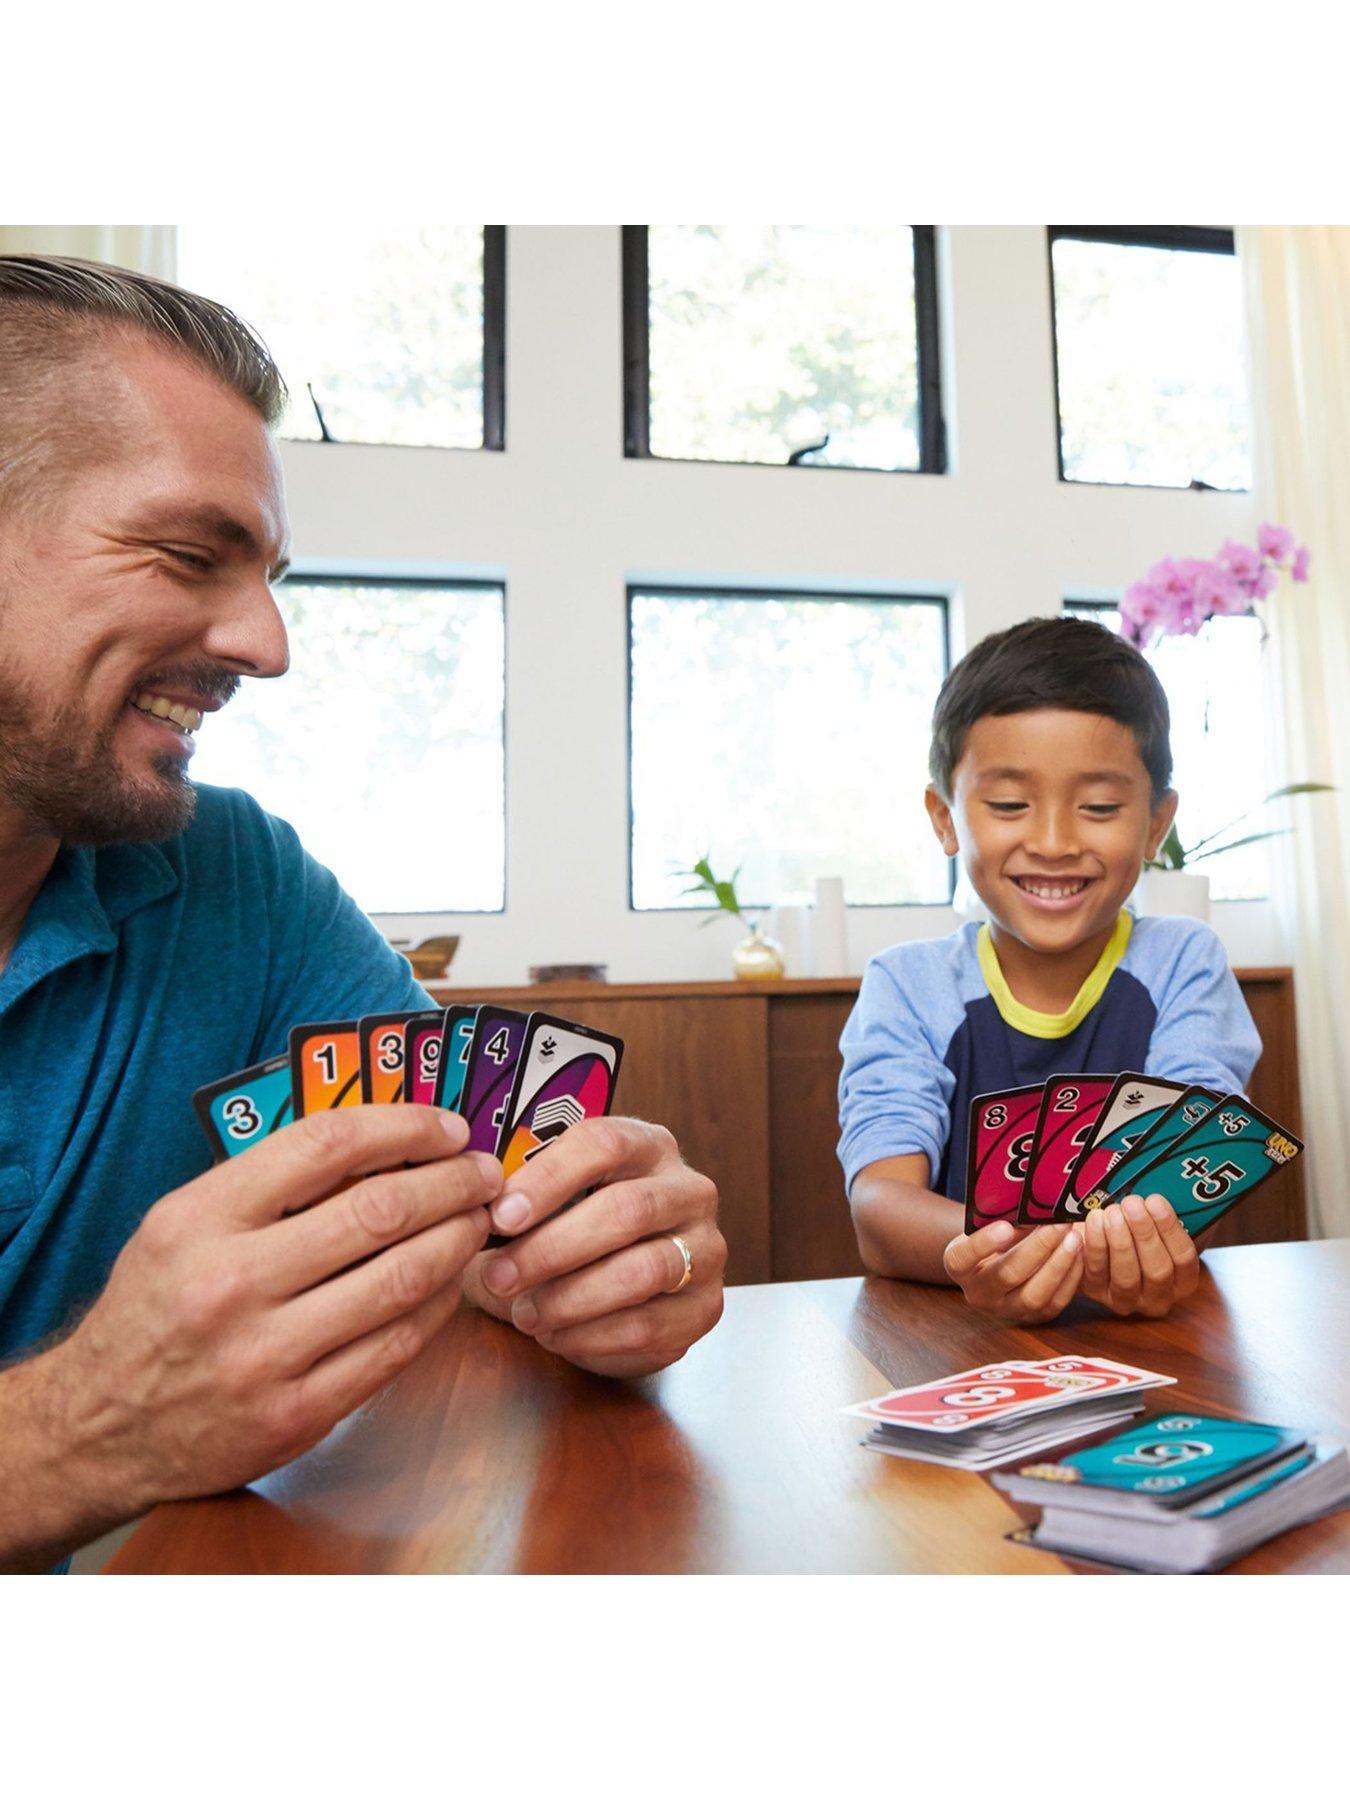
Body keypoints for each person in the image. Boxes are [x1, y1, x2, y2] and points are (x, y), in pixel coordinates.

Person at [0, 255, 726, 1573]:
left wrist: (584, 1259)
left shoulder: (238, 878)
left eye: (268, 571)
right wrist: (72, 1435)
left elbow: (462, 1203)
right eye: (186, 554)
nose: (268, 644)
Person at [838, 617, 1259, 1325]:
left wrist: (1077, 1250)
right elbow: (880, 1206)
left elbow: (1195, 1177)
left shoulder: (1186, 962)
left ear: (1156, 825)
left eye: (1099, 807)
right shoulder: (907, 986)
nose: (1056, 842)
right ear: (945, 819)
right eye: (1009, 805)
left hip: (1147, 1343)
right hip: (958, 1346)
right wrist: (1003, 1249)